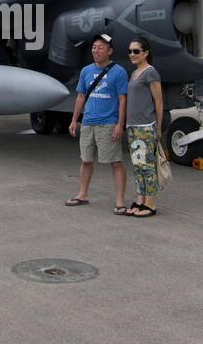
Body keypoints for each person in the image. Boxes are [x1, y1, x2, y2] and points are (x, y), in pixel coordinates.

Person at [67, 33, 129, 214]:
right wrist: (74, 120)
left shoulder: (118, 72)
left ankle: (120, 201)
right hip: (88, 123)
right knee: (85, 160)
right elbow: (80, 97)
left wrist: (120, 124)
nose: (96, 51)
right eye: (94, 47)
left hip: (108, 124)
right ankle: (83, 194)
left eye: (100, 47)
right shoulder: (86, 71)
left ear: (109, 51)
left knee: (115, 162)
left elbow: (122, 100)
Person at [125, 36, 163, 218]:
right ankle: (140, 199)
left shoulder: (150, 72)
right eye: (130, 51)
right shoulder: (134, 73)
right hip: (132, 126)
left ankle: (151, 202)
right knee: (137, 165)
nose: (132, 54)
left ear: (146, 52)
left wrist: (159, 127)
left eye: (136, 51)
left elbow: (159, 102)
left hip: (146, 126)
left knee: (147, 165)